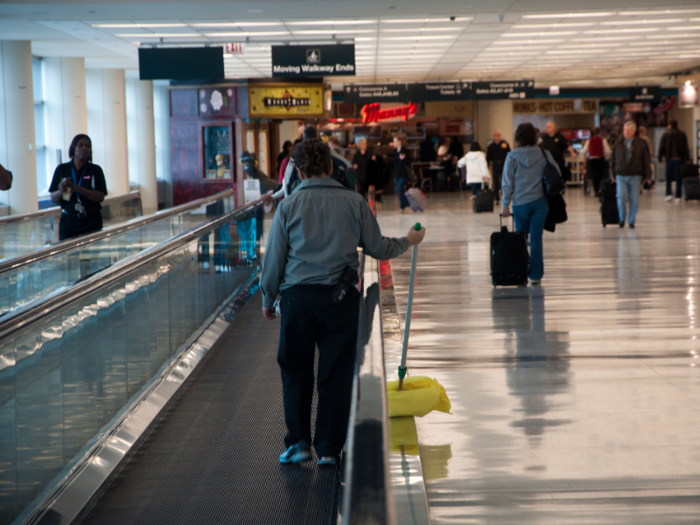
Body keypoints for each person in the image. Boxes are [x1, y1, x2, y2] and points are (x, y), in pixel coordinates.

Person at [260, 138, 426, 466]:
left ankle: (297, 444)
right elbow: (377, 248)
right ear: (331, 166)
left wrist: (268, 298)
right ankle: (329, 449)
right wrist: (408, 240)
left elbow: (274, 260)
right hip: (341, 299)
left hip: (298, 300)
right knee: (335, 374)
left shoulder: (288, 206)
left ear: (301, 170)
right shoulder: (354, 202)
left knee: (295, 371)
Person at [501, 123, 558, 286]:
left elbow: (507, 183)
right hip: (540, 203)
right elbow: (557, 173)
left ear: (517, 137)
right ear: (534, 136)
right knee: (536, 238)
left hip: (520, 204)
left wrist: (505, 204)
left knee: (520, 238)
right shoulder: (543, 153)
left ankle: (520, 272)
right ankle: (536, 276)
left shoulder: (512, 156)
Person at [49, 134, 107, 241]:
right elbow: (53, 198)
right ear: (73, 148)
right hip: (68, 220)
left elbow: (100, 196)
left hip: (91, 220)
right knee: (68, 254)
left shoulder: (95, 170)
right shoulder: (62, 169)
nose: (84, 148)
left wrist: (78, 188)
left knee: (91, 254)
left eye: (87, 146)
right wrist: (61, 191)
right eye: (80, 145)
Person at [611, 121, 652, 228]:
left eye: (628, 130)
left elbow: (645, 160)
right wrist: (612, 174)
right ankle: (621, 218)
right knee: (621, 196)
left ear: (633, 131)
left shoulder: (640, 143)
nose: (626, 132)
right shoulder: (618, 142)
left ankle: (631, 220)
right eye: (625, 130)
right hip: (621, 174)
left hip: (635, 174)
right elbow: (613, 159)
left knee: (634, 200)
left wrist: (648, 176)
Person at [658, 119, 690, 202]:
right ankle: (678, 196)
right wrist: (687, 158)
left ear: (670, 125)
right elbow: (685, 147)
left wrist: (660, 157)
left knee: (668, 177)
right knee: (678, 177)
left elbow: (661, 147)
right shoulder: (682, 134)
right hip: (679, 159)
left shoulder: (665, 134)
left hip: (669, 159)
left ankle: (668, 194)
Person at [580, 127, 612, 196]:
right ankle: (601, 189)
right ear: (599, 133)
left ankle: (596, 190)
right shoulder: (603, 140)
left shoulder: (589, 140)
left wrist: (578, 151)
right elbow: (608, 151)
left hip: (592, 161)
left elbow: (584, 150)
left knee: (594, 176)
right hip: (600, 160)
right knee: (601, 176)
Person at [486, 129, 511, 200]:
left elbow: (509, 153)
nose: (498, 137)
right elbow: (488, 157)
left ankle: (505, 196)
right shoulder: (491, 146)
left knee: (504, 180)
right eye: (496, 135)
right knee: (495, 181)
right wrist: (487, 167)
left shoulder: (504, 143)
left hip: (503, 164)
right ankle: (496, 197)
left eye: (499, 135)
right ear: (494, 136)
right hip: (495, 164)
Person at [393, 134, 413, 213]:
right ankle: (404, 206)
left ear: (399, 142)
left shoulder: (405, 150)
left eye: (395, 141)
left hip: (403, 173)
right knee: (398, 191)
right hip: (397, 173)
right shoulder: (394, 151)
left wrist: (403, 159)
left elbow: (409, 162)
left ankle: (405, 206)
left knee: (399, 189)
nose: (393, 142)